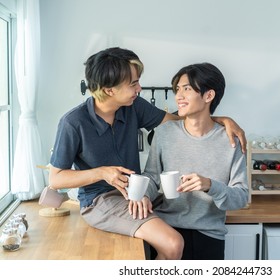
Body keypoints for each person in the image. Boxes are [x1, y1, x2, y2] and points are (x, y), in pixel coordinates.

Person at [48, 47, 247, 260]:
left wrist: (221, 120)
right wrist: (102, 173)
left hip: (135, 194)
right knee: (173, 243)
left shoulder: (133, 107)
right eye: (133, 83)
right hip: (101, 200)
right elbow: (56, 179)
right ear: (109, 90)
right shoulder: (73, 123)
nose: (139, 88)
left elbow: (181, 119)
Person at [138, 62, 249, 260]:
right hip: (165, 230)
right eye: (177, 89)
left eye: (187, 89)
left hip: (209, 236)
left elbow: (241, 197)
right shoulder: (164, 134)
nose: (178, 96)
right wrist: (144, 195)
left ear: (208, 95)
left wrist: (210, 186)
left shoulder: (231, 140)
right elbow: (152, 177)